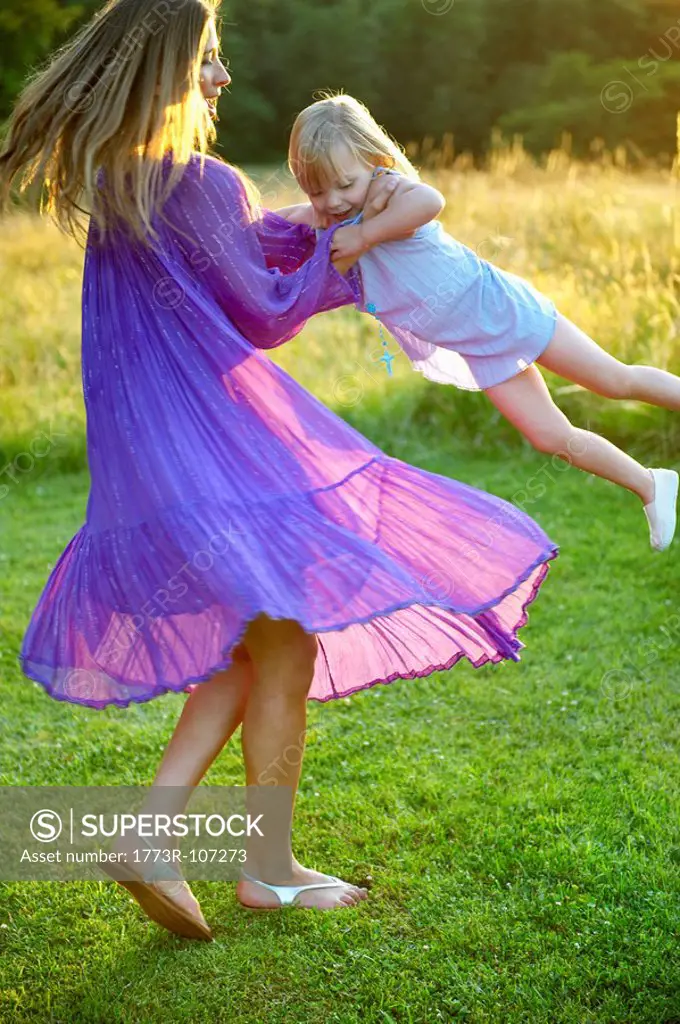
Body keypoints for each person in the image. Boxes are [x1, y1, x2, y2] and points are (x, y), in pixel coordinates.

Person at [0, 0, 558, 938]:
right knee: (282, 640)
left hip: (159, 466)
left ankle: (183, 839)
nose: (221, 79)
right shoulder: (200, 182)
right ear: (165, 73)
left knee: (261, 643)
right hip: (221, 456)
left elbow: (241, 247)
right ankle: (253, 865)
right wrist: (350, 249)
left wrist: (317, 221)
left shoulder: (127, 180)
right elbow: (261, 306)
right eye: (208, 62)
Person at [283, 92, 680, 554]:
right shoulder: (332, 218)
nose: (331, 201)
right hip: (478, 347)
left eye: (343, 184)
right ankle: (650, 483)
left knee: (614, 380)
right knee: (549, 436)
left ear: (377, 161)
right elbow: (287, 222)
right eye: (315, 190)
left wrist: (365, 235)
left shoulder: (390, 193)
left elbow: (431, 200)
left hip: (503, 309)